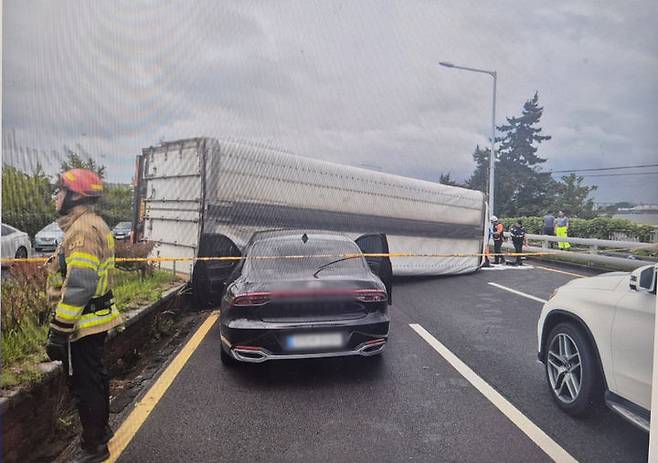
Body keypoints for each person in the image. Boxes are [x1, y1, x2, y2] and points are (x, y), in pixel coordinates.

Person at [45, 168, 123, 463]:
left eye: (59, 191)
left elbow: (80, 284)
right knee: (95, 379)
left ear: (74, 195)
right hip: (95, 319)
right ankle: (100, 432)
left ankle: (94, 447)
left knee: (85, 385)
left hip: (83, 324)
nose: (56, 196)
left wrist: (59, 329)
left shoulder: (81, 231)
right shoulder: (92, 224)